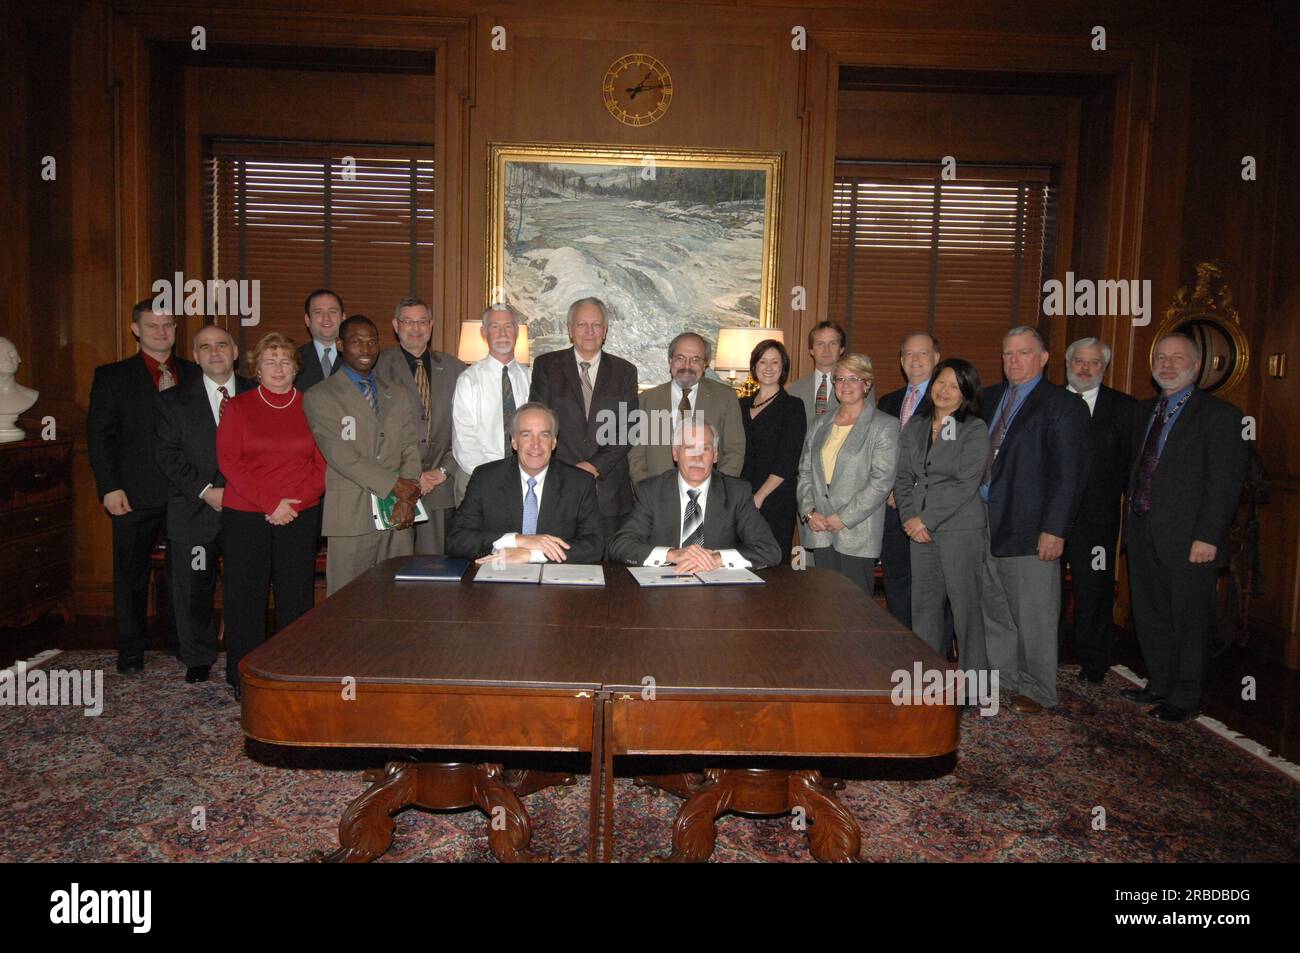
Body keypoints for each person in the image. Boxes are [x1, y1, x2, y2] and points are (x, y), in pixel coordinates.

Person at [1123, 333, 1248, 722]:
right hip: (1143, 529)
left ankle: (1186, 695)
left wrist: (1208, 536)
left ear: (1197, 366)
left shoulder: (1221, 417)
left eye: (1178, 358)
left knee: (1190, 618)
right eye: (1161, 357)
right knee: (1151, 611)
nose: (1168, 364)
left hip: (1191, 538)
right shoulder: (1144, 412)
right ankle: (1159, 682)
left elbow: (1224, 483)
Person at [978, 326, 1090, 714]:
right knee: (995, 608)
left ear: (1043, 359)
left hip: (1031, 528)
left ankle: (1040, 688)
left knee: (1034, 613)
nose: (1013, 361)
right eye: (1007, 354)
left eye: (1023, 353)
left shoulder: (1063, 405)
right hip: (985, 520)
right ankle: (1005, 678)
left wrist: (1055, 529)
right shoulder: (990, 398)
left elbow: (1068, 474)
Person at [88, 299, 199, 674]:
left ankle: (184, 645)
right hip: (133, 494)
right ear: (136, 329)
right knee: (131, 575)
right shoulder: (111, 377)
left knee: (185, 574)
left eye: (168, 325)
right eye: (152, 325)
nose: (161, 332)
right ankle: (131, 651)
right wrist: (109, 487)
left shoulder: (195, 373)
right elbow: (100, 437)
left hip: (186, 493)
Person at [216, 332, 326, 698]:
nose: (278, 369)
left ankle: (291, 671)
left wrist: (294, 503)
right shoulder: (238, 407)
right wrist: (271, 503)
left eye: (285, 362)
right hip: (247, 515)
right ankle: (243, 676)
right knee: (245, 597)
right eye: (270, 362)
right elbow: (229, 462)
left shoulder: (313, 406)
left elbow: (324, 463)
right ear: (256, 370)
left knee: (296, 598)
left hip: (299, 514)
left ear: (296, 368)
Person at [155, 324, 254, 684]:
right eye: (206, 347)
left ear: (235, 352)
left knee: (246, 585)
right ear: (195, 356)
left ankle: (247, 653)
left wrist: (244, 492)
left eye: (222, 345)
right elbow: (167, 455)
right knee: (195, 585)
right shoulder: (173, 401)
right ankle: (197, 655)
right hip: (195, 509)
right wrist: (207, 491)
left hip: (247, 510)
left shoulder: (257, 395)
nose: (215, 353)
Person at [305, 315, 422, 595]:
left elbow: (410, 445)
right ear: (340, 344)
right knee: (347, 602)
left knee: (397, 598)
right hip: (350, 514)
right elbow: (339, 454)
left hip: (398, 513)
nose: (366, 350)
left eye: (371, 342)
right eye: (356, 343)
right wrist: (395, 485)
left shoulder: (398, 393)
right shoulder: (320, 395)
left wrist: (408, 495)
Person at [894, 359, 989, 671]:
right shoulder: (916, 426)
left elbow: (966, 483)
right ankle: (928, 676)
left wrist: (926, 519)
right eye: (940, 382)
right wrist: (910, 519)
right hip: (918, 530)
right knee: (925, 608)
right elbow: (904, 478)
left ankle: (974, 684)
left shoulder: (973, 428)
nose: (945, 390)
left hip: (960, 530)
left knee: (966, 609)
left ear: (966, 393)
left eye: (954, 386)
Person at [529, 297, 639, 540]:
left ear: (605, 331)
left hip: (610, 492)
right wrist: (571, 473)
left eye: (596, 325)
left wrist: (593, 466)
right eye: (581, 325)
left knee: (612, 572)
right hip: (558, 487)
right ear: (570, 330)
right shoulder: (546, 366)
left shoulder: (625, 371)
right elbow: (539, 424)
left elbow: (628, 428)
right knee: (558, 566)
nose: (589, 331)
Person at [1062, 336, 1136, 683]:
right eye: (1079, 361)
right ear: (1066, 363)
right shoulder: (1048, 401)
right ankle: (1046, 656)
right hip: (1048, 518)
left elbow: (1130, 468)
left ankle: (1094, 662)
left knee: (1094, 590)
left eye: (1093, 363)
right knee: (1044, 593)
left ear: (1104, 369)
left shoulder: (1124, 409)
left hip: (1097, 520)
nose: (1085, 368)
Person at [611, 420, 781, 571]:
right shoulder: (652, 491)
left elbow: (769, 549)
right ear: (675, 453)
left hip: (719, 594)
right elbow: (621, 545)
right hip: (664, 590)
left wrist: (717, 559)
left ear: (715, 455)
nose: (697, 457)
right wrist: (672, 555)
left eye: (705, 449)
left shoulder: (736, 492)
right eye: (689, 448)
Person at [447, 403, 604, 564]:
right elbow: (457, 540)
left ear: (554, 442)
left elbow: (594, 546)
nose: (536, 445)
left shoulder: (579, 483)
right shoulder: (485, 478)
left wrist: (532, 555)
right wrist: (517, 540)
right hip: (497, 579)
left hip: (555, 583)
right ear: (514, 441)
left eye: (544, 435)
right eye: (526, 435)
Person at [796, 353, 898, 592]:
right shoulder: (820, 423)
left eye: (854, 378)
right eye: (840, 379)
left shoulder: (884, 425)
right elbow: (804, 472)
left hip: (857, 530)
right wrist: (810, 513)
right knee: (823, 604)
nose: (846, 385)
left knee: (855, 610)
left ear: (867, 384)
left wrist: (843, 518)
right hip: (820, 528)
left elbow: (881, 482)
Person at [374, 297, 466, 555]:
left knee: (436, 574)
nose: (416, 328)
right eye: (408, 322)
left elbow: (466, 431)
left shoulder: (456, 369)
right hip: (395, 487)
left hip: (440, 488)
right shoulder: (377, 367)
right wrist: (410, 476)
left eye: (422, 321)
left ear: (432, 324)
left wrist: (443, 471)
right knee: (392, 571)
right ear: (395, 325)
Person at [877, 332, 941, 626]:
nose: (915, 360)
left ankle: (930, 655)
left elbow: (944, 460)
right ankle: (899, 645)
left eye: (923, 354)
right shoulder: (888, 401)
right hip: (890, 511)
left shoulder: (947, 400)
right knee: (896, 579)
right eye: (909, 355)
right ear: (901, 362)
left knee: (929, 588)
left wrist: (906, 493)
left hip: (926, 510)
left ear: (936, 358)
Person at [628, 332, 744, 484]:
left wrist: (719, 492)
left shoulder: (725, 397)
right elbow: (636, 456)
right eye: (680, 358)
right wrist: (649, 495)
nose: (687, 366)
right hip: (656, 497)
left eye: (695, 359)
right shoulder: (646, 400)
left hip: (711, 498)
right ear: (670, 361)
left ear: (705, 364)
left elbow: (734, 451)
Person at [451, 304, 531, 502]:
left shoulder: (532, 378)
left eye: (508, 326)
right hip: (479, 478)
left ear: (517, 331)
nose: (503, 333)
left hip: (525, 480)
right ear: (484, 332)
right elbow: (464, 440)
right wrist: (498, 477)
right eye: (495, 326)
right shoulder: (468, 380)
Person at [738, 339, 805, 563]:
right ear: (754, 366)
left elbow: (788, 459)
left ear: (783, 367)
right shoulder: (741, 405)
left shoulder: (793, 406)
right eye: (762, 361)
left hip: (774, 498)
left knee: (771, 563)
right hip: (741, 497)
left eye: (774, 362)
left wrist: (759, 497)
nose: (768, 367)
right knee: (739, 562)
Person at [788, 320, 847, 428]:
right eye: (820, 344)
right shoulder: (793, 390)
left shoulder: (856, 388)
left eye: (832, 343)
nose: (826, 350)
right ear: (811, 350)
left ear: (841, 349)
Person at [294, 289, 346, 391]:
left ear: (343, 317)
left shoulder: (357, 358)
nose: (326, 318)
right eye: (318, 312)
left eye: (333, 312)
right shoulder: (293, 359)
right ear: (307, 320)